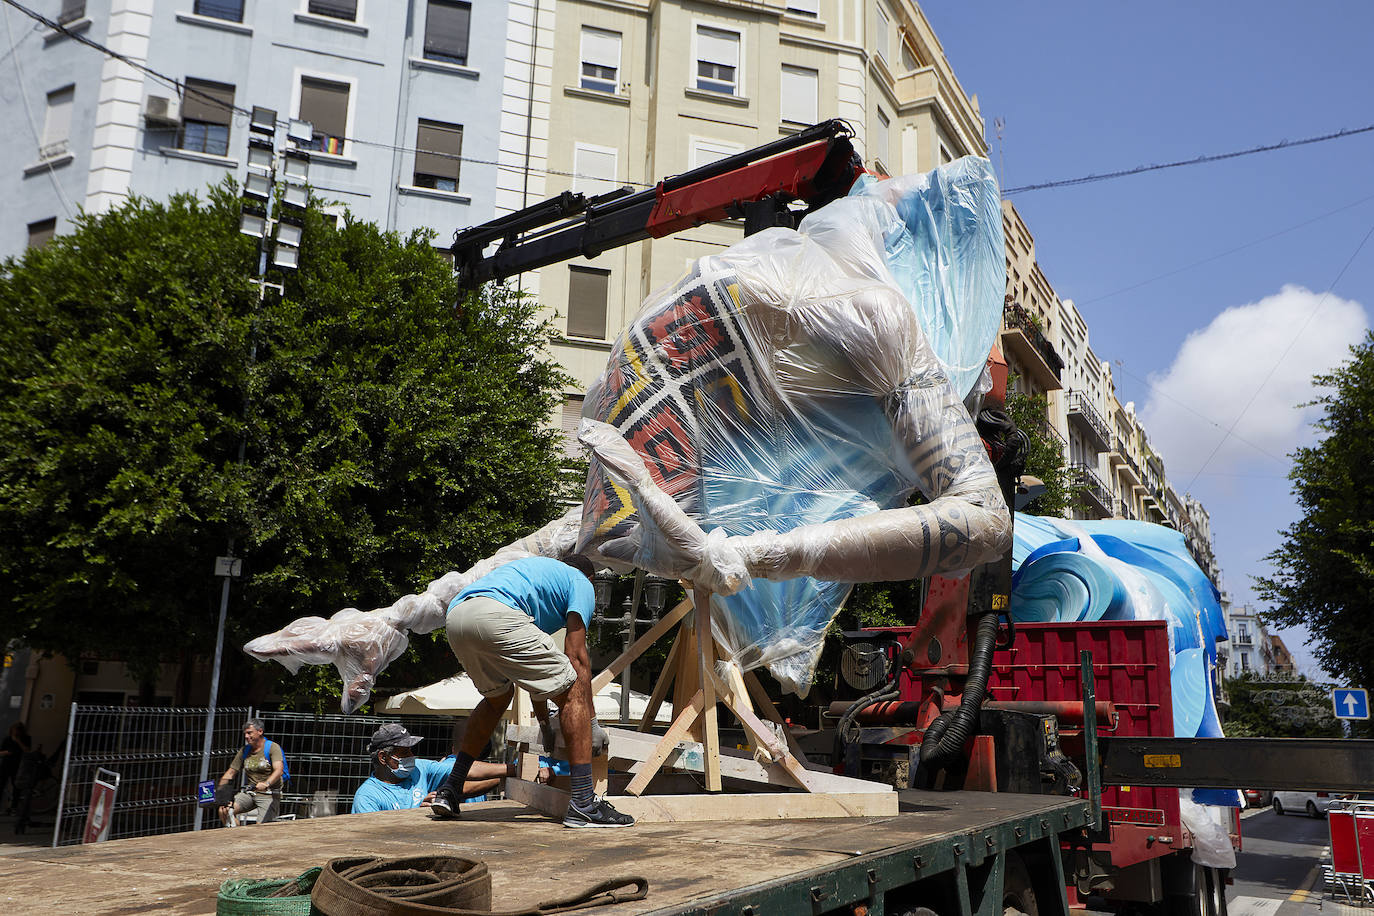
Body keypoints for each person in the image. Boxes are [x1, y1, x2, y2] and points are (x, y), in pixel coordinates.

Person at [431, 555, 633, 828]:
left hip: (457, 617)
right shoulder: (580, 583)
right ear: (592, 580)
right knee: (574, 685)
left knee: (496, 699)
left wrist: (544, 724)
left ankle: (451, 789)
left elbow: (538, 683)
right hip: (497, 615)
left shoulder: (536, 578)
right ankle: (584, 803)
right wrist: (592, 722)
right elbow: (576, 657)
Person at [352, 723, 514, 813]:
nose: (411, 756)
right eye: (404, 752)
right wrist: (415, 814)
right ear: (383, 757)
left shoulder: (421, 769)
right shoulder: (367, 797)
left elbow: (464, 769)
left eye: (411, 750)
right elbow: (372, 839)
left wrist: (513, 771)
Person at [216, 718, 284, 826]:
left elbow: (279, 770)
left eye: (249, 733)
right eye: (245, 734)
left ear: (260, 731)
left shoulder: (272, 747)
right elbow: (230, 773)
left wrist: (266, 783)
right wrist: (220, 793)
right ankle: (237, 838)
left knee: (260, 828)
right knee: (224, 811)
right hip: (250, 793)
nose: (246, 737)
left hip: (269, 794)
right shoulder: (245, 750)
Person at [0, 722, 32, 814]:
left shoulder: (26, 738)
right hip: (6, 765)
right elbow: (1, 751)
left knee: (17, 786)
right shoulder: (7, 739)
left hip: (19, 765)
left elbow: (27, 750)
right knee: (1, 785)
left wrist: (18, 741)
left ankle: (14, 807)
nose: (15, 732)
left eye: (17, 730)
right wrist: (7, 752)